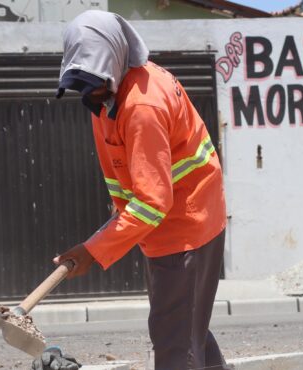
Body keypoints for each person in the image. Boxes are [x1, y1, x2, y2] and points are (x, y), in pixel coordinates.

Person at [34, 9, 228, 370]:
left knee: (175, 343)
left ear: (113, 61)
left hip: (186, 225)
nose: (88, 93)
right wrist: (116, 223)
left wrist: (93, 251)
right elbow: (120, 177)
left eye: (93, 82)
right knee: (186, 326)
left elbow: (153, 202)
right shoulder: (106, 98)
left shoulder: (142, 106)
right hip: (174, 222)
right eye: (80, 84)